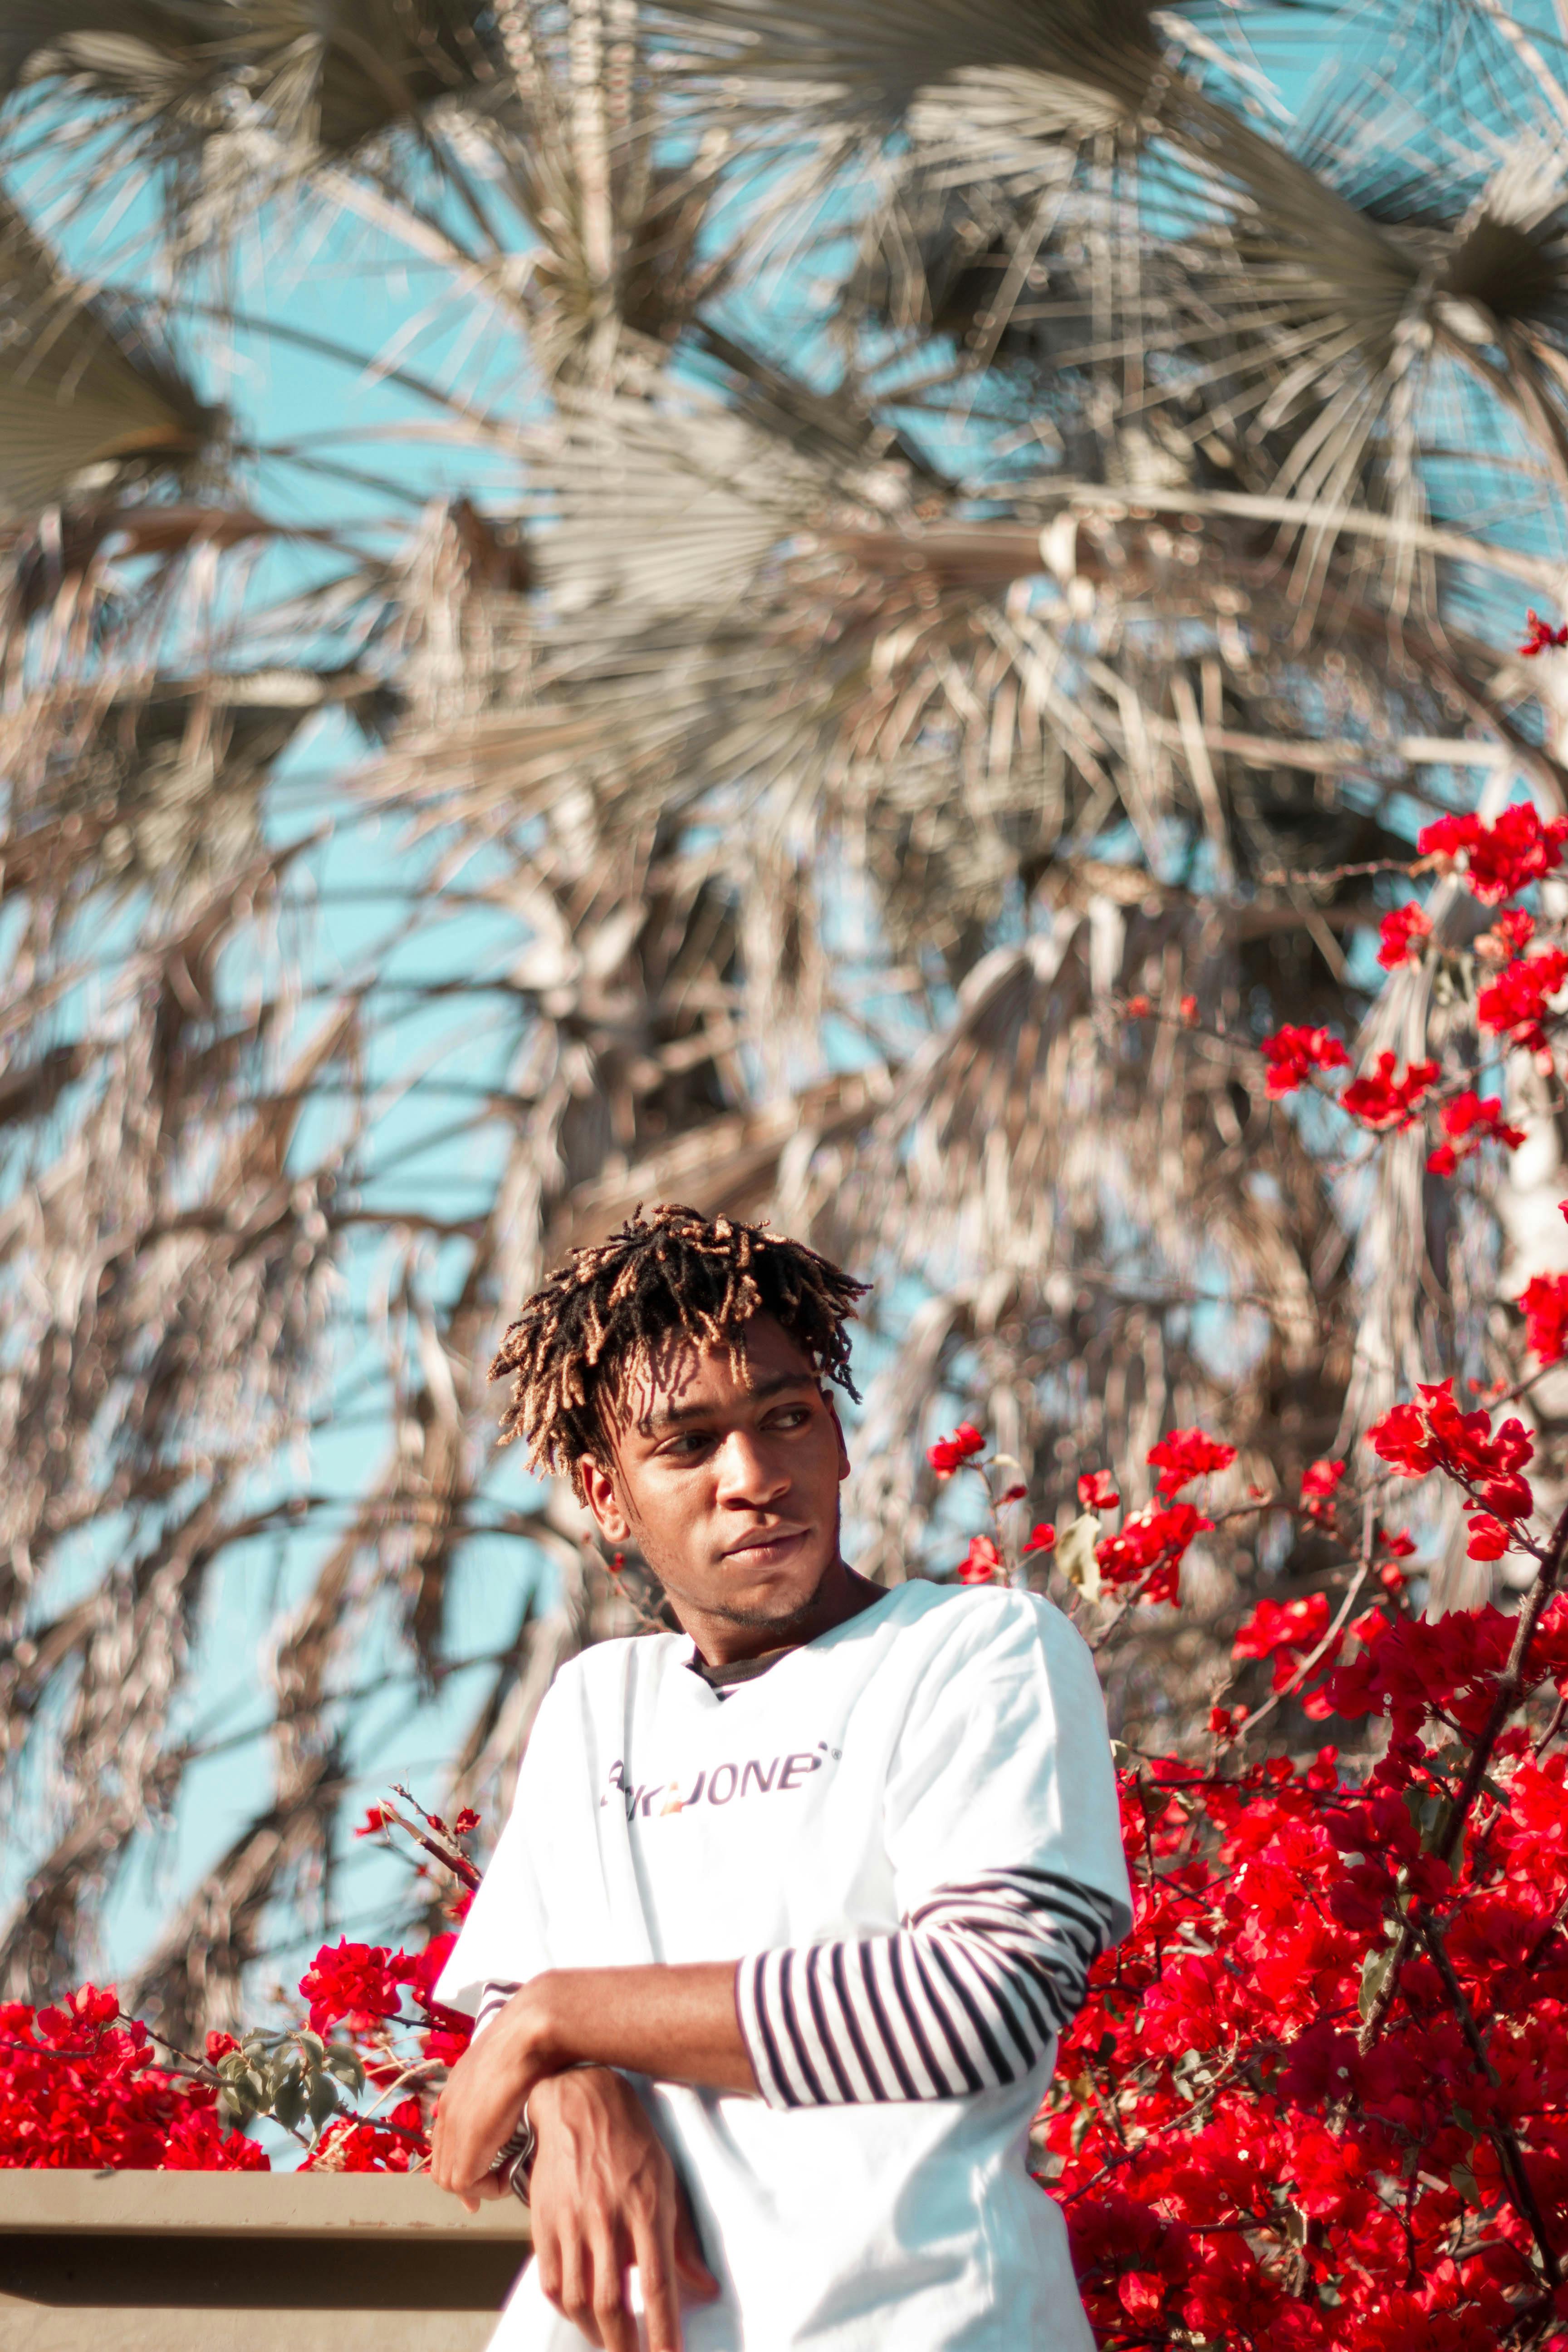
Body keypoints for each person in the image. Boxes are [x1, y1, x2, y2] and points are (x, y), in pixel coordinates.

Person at [431, 1204, 1130, 2352]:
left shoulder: (981, 1650)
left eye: (787, 1418)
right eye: (688, 1444)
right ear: (608, 1496)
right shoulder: (595, 1707)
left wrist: (567, 2019)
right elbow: (487, 2081)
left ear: (840, 1441)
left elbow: (984, 2008)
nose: (753, 1475)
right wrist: (569, 2084)